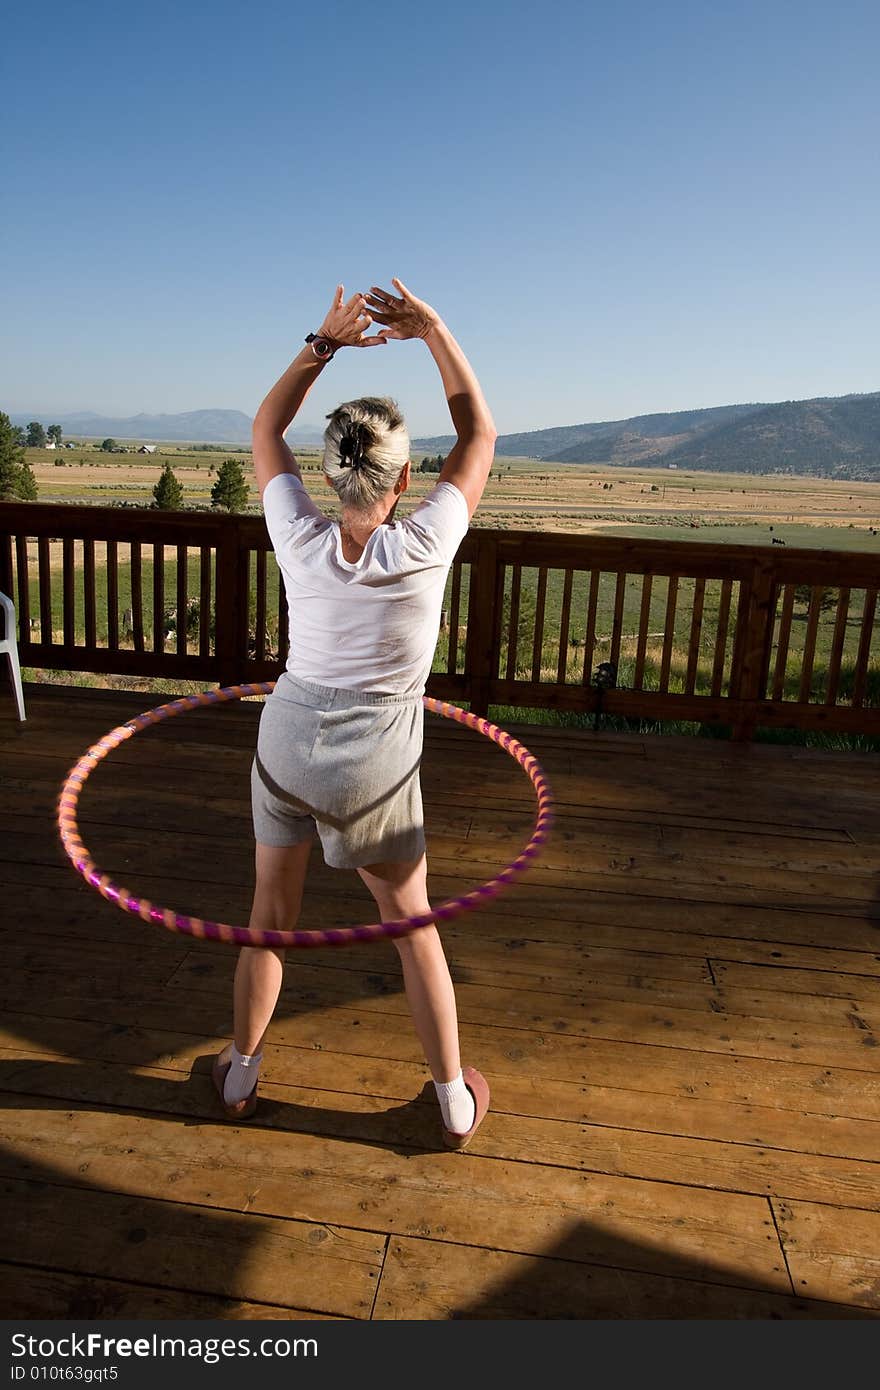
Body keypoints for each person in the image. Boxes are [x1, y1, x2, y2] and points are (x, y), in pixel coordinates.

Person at [212, 278, 497, 1148]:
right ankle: (451, 1100)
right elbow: (480, 433)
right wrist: (436, 329)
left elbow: (264, 431)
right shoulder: (425, 540)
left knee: (270, 916)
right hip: (374, 763)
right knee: (411, 928)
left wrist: (321, 344)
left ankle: (239, 1078)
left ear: (330, 471)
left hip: (286, 740)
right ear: (406, 475)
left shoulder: (296, 530)